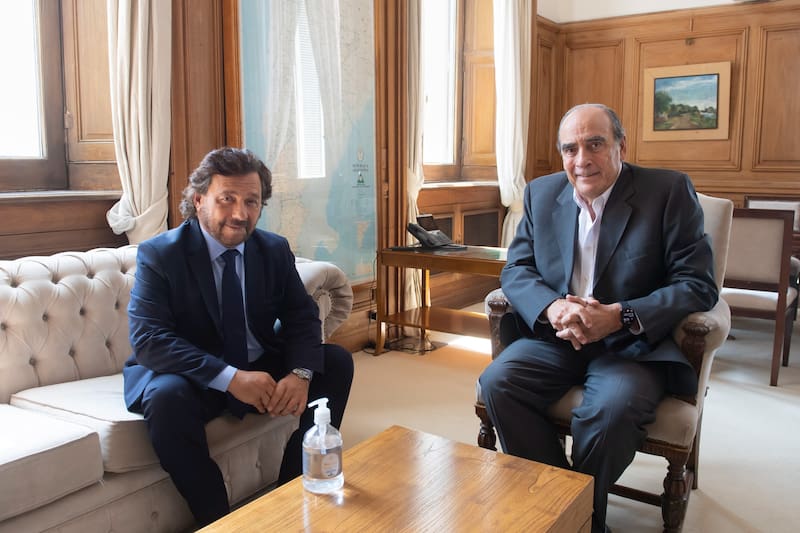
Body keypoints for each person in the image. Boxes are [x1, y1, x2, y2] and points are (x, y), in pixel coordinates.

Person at [478, 104, 717, 533]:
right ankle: (567, 510)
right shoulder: (540, 193)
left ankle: (575, 516)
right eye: (570, 149)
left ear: (621, 146)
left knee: (610, 414)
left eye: (595, 144)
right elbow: (516, 269)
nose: (581, 160)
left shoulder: (667, 191)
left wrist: (622, 315)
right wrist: (553, 307)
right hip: (557, 338)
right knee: (498, 382)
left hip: (631, 346)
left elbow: (697, 284)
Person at [122, 147, 354, 526]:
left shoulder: (273, 249)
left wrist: (300, 374)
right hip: (195, 374)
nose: (240, 214)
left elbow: (301, 316)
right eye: (226, 199)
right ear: (199, 200)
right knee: (165, 399)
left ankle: (290, 495)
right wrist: (230, 378)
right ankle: (220, 521)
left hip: (256, 364)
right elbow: (149, 339)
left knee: (337, 362)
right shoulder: (161, 255)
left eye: (251, 201)